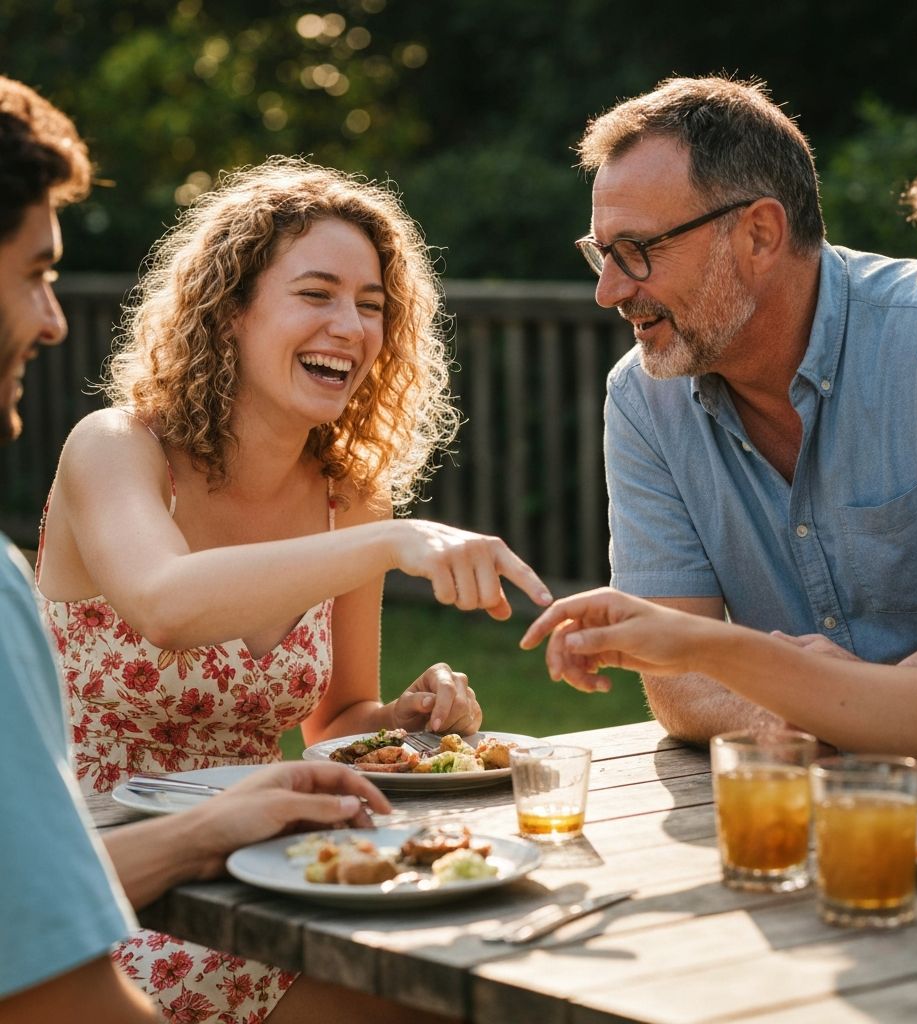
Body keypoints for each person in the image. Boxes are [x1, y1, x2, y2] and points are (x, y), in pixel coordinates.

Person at [29, 157, 550, 1015]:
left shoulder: (351, 498)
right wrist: (391, 543)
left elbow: (336, 721)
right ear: (231, 310)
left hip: (264, 875)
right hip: (102, 889)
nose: (350, 325)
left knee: (490, 956)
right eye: (316, 294)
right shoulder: (116, 448)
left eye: (372, 304)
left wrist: (400, 722)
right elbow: (165, 603)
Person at [522, 116, 917, 785]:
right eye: (603, 253)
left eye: (638, 249)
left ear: (759, 234)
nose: (608, 290)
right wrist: (844, 708)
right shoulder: (644, 399)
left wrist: (739, 663)